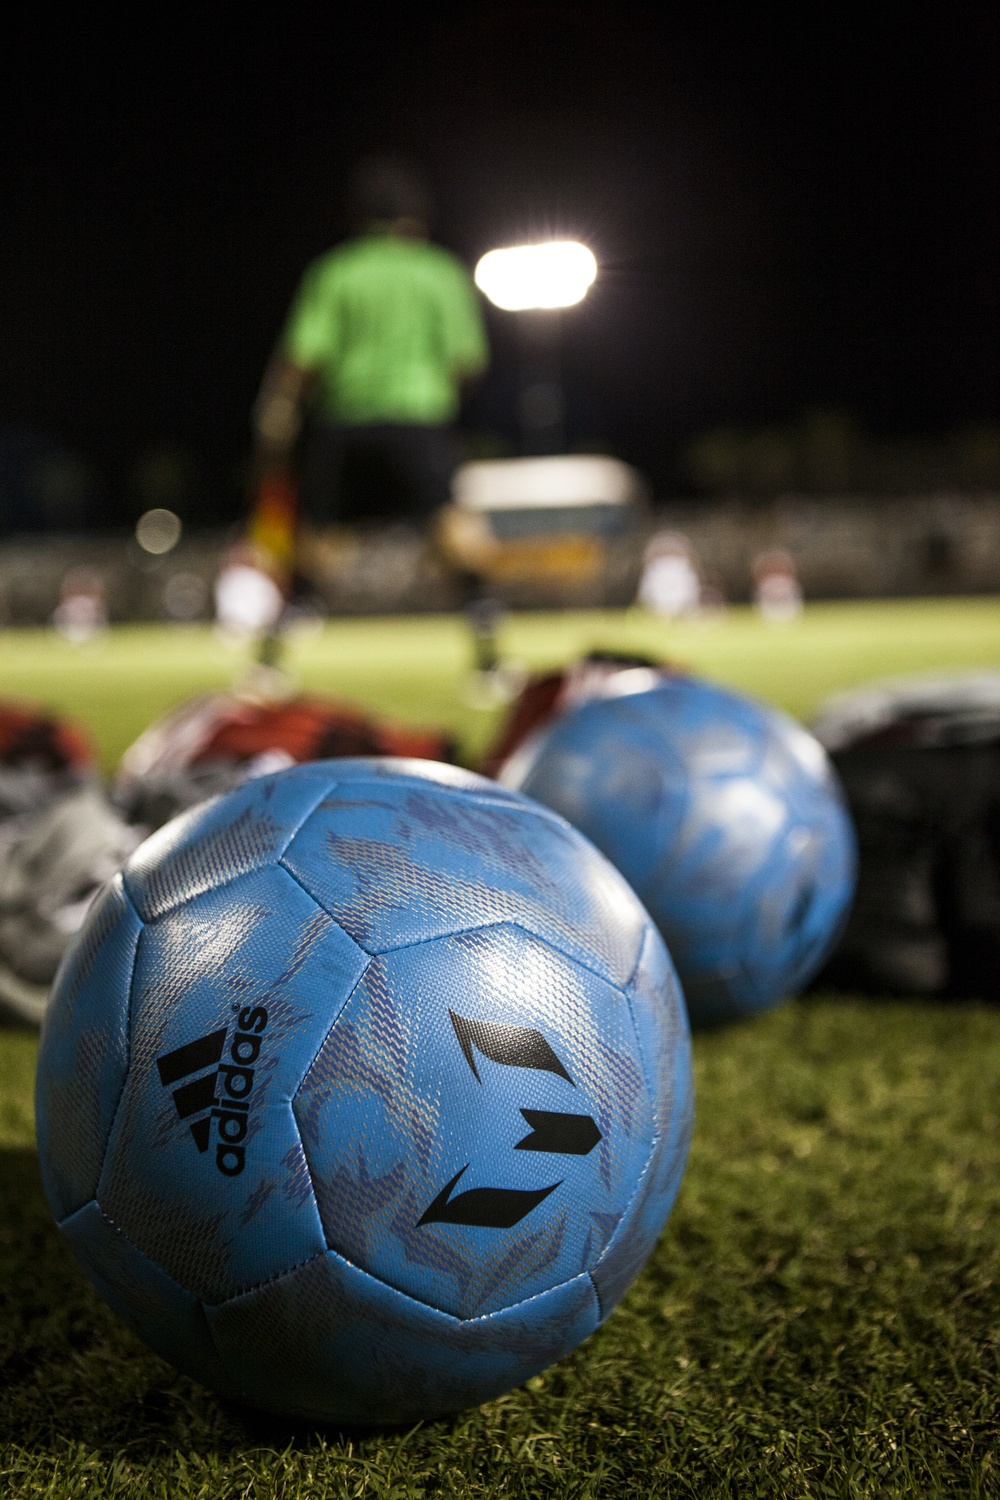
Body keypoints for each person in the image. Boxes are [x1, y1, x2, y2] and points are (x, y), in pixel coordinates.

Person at [253, 157, 489, 529]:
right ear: (416, 214)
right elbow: (468, 363)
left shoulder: (335, 272)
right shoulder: (442, 272)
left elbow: (302, 358)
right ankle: (476, 588)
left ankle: (313, 587)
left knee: (322, 531)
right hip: (421, 423)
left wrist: (277, 416)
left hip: (345, 426)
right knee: (449, 524)